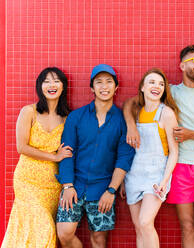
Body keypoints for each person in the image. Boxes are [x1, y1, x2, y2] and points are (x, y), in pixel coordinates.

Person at [123, 45, 194, 248]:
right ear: (182, 66)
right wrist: (131, 126)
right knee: (188, 225)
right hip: (180, 167)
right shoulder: (170, 91)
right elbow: (131, 103)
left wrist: (193, 135)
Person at [55, 64, 135, 248]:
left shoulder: (123, 121)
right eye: (99, 82)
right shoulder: (76, 117)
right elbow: (67, 153)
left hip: (103, 189)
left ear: (116, 87)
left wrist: (111, 191)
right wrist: (67, 185)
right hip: (74, 185)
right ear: (92, 87)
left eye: (109, 82)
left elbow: (123, 159)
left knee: (99, 240)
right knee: (64, 234)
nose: (104, 87)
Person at [1, 67, 72, 248]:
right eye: (46, 81)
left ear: (63, 86)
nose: (51, 85)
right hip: (27, 180)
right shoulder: (29, 112)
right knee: (40, 224)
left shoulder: (67, 118)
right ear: (40, 86)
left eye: (56, 81)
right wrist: (53, 156)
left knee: (41, 228)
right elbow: (21, 147)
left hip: (51, 185)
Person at [120, 68, 179, 248]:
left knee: (146, 221)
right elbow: (127, 105)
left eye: (161, 84)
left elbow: (174, 152)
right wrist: (123, 179)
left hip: (156, 175)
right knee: (139, 227)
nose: (157, 86)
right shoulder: (135, 111)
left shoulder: (166, 113)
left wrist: (164, 180)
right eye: (152, 82)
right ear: (143, 88)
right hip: (134, 174)